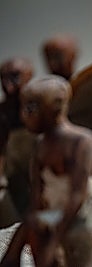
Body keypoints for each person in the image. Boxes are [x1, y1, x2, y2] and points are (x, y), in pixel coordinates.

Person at [0, 76, 92, 267]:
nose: (23, 115)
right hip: (54, 211)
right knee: (29, 229)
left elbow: (77, 195)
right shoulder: (40, 144)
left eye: (31, 108)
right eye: (24, 107)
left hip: (83, 214)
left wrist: (54, 240)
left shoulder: (81, 141)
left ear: (54, 108)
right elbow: (36, 197)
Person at [0, 58, 34, 220]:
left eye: (15, 76)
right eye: (3, 78)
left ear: (29, 76)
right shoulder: (2, 113)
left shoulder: (40, 110)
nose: (8, 85)